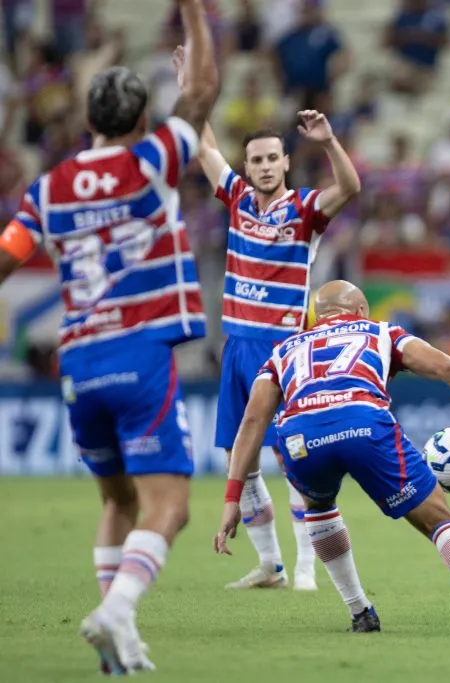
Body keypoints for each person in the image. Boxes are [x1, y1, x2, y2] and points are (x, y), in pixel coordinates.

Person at [0, 0, 219, 673]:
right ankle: (117, 609)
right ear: (141, 120)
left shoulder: (49, 189)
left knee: (116, 500)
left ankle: (115, 648)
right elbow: (205, 91)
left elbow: (8, 254)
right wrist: (192, 10)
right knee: (171, 507)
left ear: (89, 119)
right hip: (140, 351)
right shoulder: (153, 158)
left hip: (77, 361)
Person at [213, 281, 450, 636]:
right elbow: (447, 369)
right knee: (437, 518)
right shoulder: (381, 331)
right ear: (361, 310)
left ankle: (360, 612)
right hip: (363, 423)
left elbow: (252, 421)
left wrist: (232, 497)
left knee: (318, 506)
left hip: (301, 436)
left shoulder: (283, 350)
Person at [180, 43, 362, 591]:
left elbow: (350, 188)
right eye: (254, 159)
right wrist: (195, 87)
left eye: (270, 159)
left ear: (285, 162)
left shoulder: (305, 210)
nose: (261, 167)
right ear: (248, 165)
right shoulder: (234, 197)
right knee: (245, 459)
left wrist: (328, 141)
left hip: (283, 350)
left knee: (294, 458)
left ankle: (307, 567)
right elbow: (203, 142)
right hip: (236, 346)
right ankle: (271, 565)